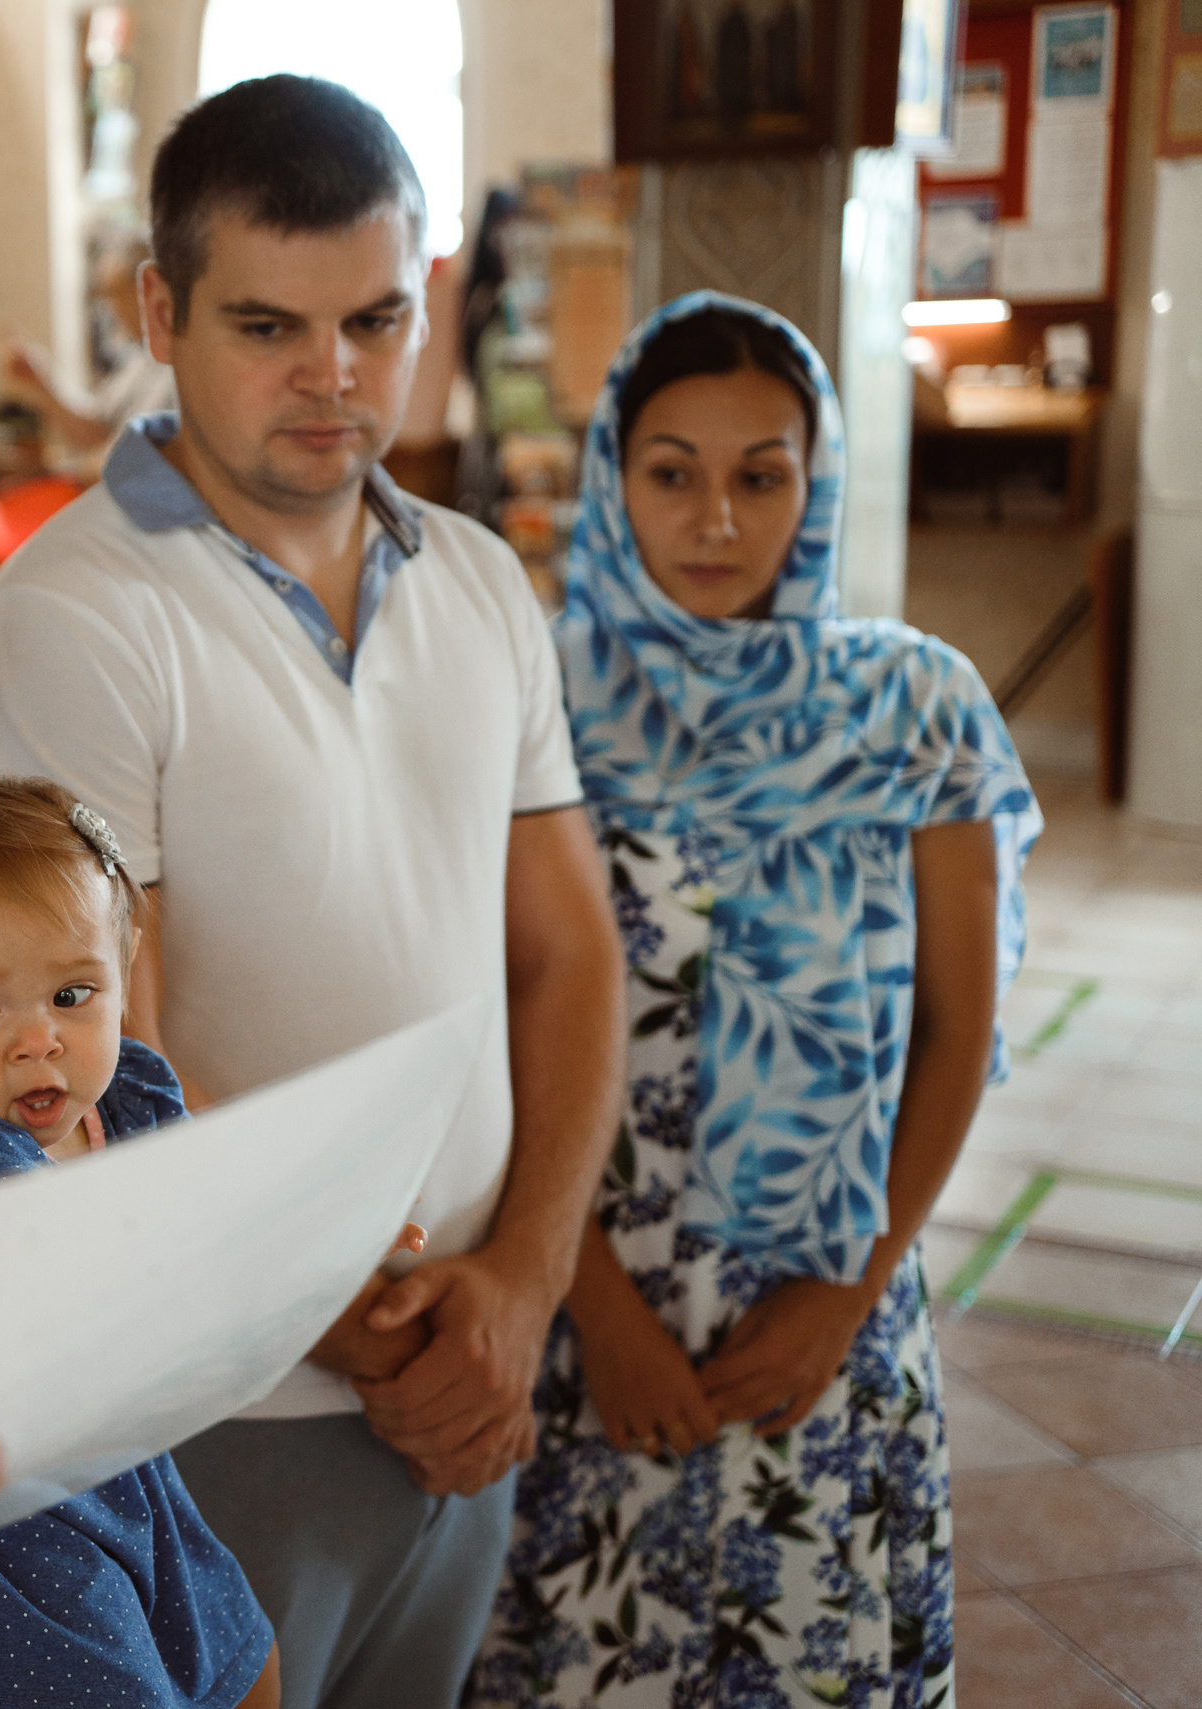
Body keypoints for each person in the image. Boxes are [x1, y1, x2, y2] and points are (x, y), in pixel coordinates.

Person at [0, 75, 627, 1709]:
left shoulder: (477, 578)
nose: (331, 375)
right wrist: (379, 1342)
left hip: (475, 1362)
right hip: (223, 1407)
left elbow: (569, 948)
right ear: (158, 311)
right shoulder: (77, 618)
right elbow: (99, 1062)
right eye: (267, 324)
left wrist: (520, 1284)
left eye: (376, 318)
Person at [467, 295, 1037, 1709]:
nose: (716, 517)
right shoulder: (533, 698)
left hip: (823, 1316)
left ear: (817, 478)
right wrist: (596, 1309)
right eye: (672, 472)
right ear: (614, 479)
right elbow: (487, 1026)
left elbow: (957, 1029)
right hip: (584, 1296)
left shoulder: (916, 709)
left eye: (761, 474)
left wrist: (846, 1293)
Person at [0, 774, 282, 1709]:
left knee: (249, 1662)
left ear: (125, 965)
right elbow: (55, 1270)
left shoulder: (127, 1100)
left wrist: (315, 1207)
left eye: (72, 994)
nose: (38, 1043)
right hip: (13, 1520)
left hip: (130, 1470)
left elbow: (209, 1192)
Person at [4, 226, 179, 462]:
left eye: (117, 294)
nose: (113, 310)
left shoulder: (176, 367)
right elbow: (96, 430)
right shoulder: (137, 359)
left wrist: (61, 465)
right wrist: (39, 379)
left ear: (150, 289)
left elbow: (135, 461)